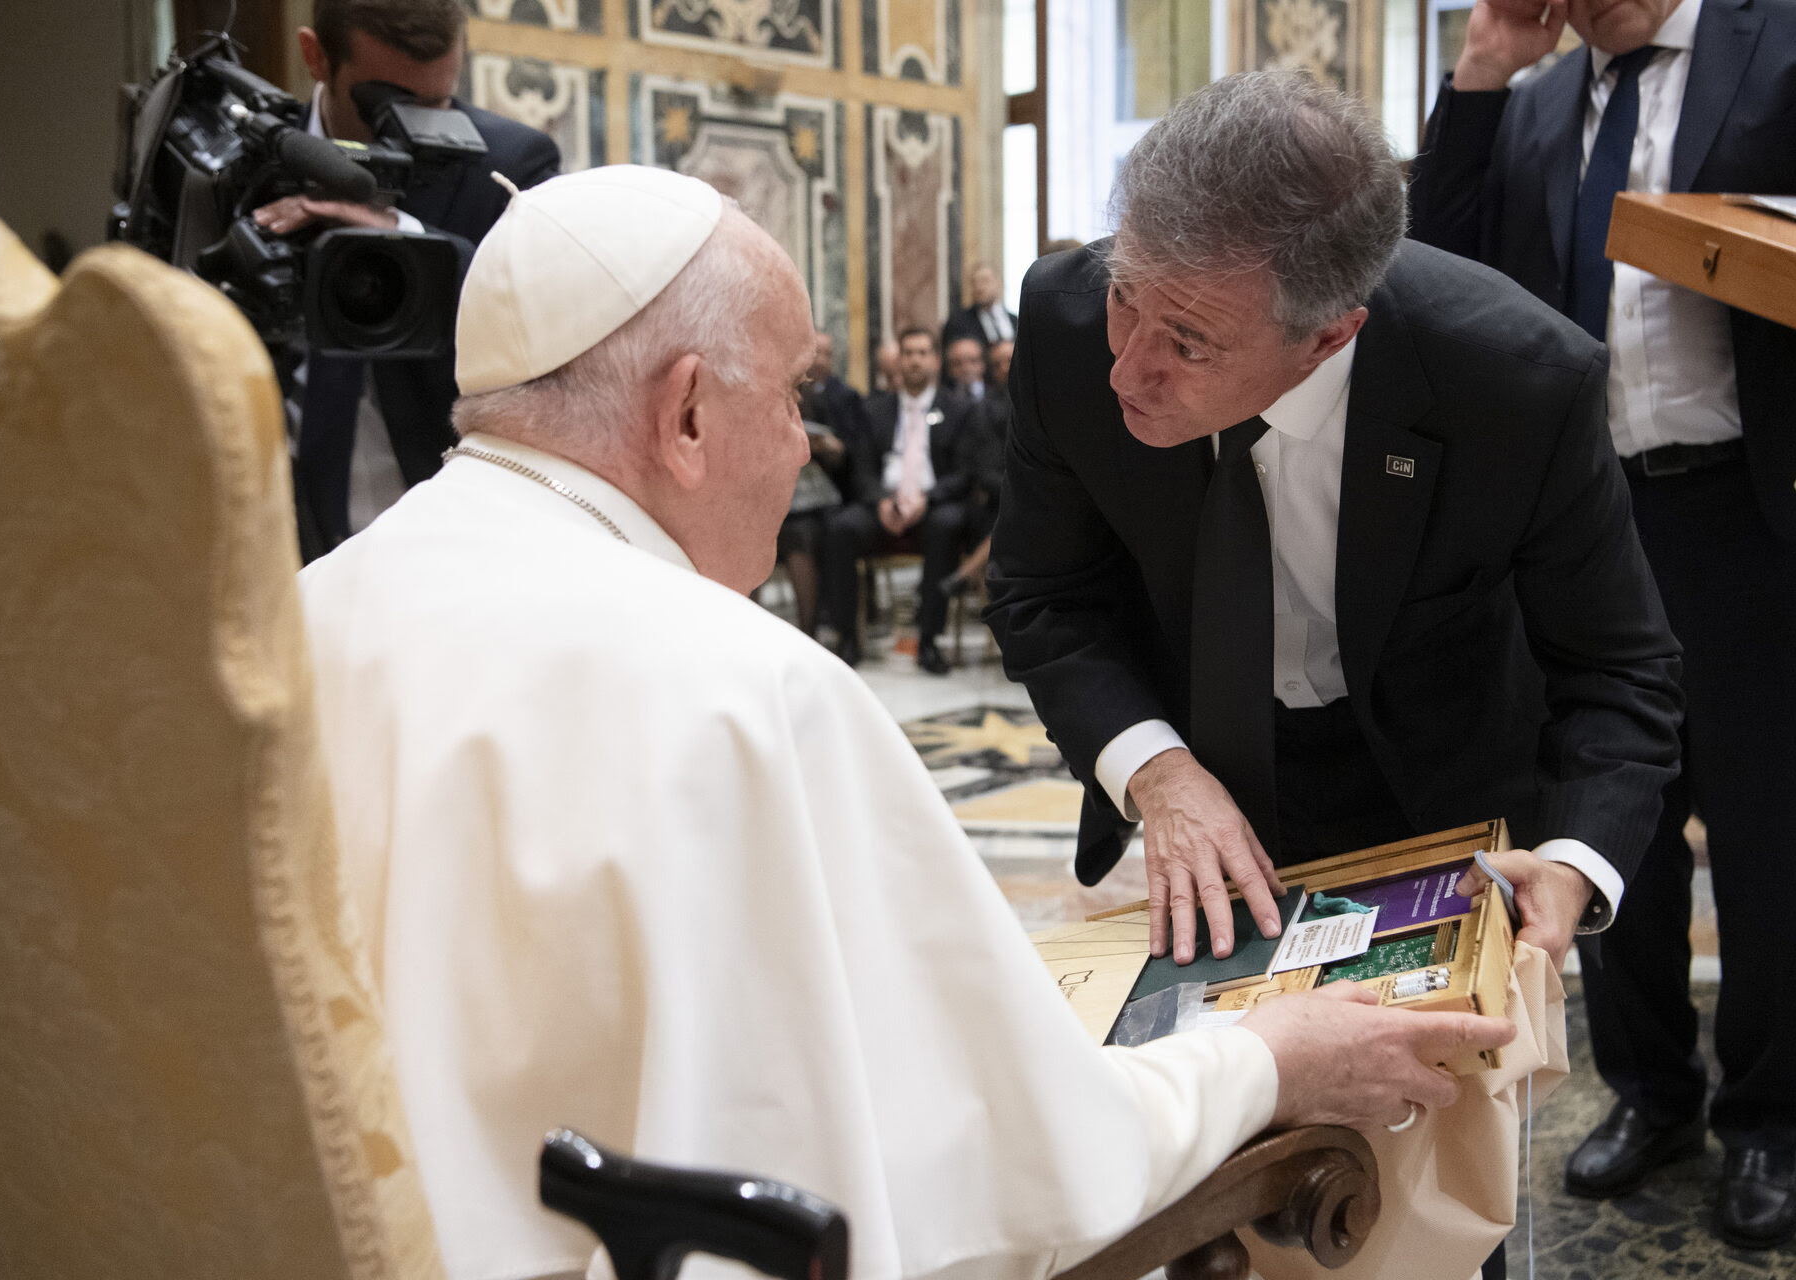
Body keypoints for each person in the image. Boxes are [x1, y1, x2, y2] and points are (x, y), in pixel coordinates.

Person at [297, 164, 1518, 1280]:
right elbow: (1018, 1165)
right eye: (793, 394)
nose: (800, 447)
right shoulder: (746, 693)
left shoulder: (300, 614)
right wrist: (1268, 1059)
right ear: (682, 415)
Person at [988, 77, 1682, 1278]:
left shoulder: (1512, 378)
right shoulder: (1061, 324)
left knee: (1418, 1192)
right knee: (1202, 1167)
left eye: (1188, 341)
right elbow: (1046, 595)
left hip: (1430, 792)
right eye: (1125, 301)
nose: (1128, 371)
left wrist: (1572, 868)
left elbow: (1621, 667)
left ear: (1330, 332)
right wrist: (1158, 771)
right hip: (1202, 759)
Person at [1406, 0, 1796, 1246]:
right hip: (1587, 531)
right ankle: (1653, 1091)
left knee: (1770, 836)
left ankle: (1767, 1120)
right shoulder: (1533, 104)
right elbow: (1430, 264)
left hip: (1762, 522)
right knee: (1611, 826)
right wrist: (1479, 74)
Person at [252, 0, 559, 559]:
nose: (413, 129)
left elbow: (545, 336)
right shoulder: (251, 162)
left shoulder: (509, 165)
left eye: (437, 103)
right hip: (279, 542)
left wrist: (403, 233)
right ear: (315, 56)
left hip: (448, 544)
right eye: (386, 105)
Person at [822, 328, 983, 674]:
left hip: (934, 503)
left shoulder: (958, 409)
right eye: (908, 353)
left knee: (946, 526)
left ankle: (929, 641)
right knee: (840, 528)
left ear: (935, 361)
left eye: (922, 352)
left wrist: (927, 499)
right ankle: (846, 636)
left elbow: (964, 473)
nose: (914, 360)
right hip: (885, 502)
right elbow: (861, 468)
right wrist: (880, 500)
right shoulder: (875, 409)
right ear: (899, 361)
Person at [773, 330, 872, 639]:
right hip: (788, 498)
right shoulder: (780, 391)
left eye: (824, 353)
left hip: (832, 497)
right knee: (785, 531)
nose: (817, 361)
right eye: (811, 353)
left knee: (820, 534)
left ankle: (828, 634)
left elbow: (860, 455)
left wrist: (833, 450)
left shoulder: (846, 397)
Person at [941, 263, 1017, 352]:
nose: (980, 288)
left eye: (985, 281)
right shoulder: (958, 322)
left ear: (999, 283)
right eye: (975, 283)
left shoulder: (1015, 320)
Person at [945, 335, 987, 400]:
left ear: (983, 364)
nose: (966, 368)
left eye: (973, 361)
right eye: (958, 363)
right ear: (949, 369)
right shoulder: (944, 402)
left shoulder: (999, 399)